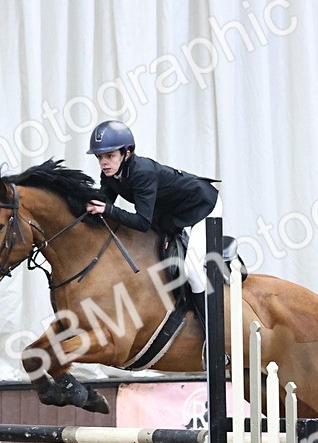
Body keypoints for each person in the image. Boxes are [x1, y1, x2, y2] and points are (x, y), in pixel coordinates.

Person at [84, 121, 220, 306]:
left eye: (110, 155)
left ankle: (210, 330)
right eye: (99, 157)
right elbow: (102, 204)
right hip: (171, 212)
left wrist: (108, 209)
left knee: (192, 270)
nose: (103, 163)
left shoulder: (142, 172)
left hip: (203, 205)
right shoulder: (109, 174)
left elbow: (142, 222)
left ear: (127, 153)